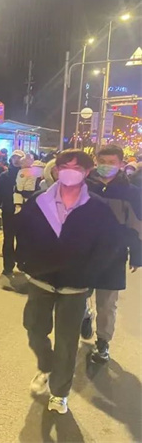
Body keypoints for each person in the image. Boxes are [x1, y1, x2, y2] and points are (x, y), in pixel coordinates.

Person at [16, 149, 124, 415]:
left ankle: (59, 392)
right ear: (56, 170)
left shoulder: (97, 207)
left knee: (66, 341)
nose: (69, 172)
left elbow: (109, 245)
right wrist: (26, 263)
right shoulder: (39, 201)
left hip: (75, 287)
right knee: (34, 329)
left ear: (87, 172)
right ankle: (47, 364)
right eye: (65, 167)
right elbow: (23, 233)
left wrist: (89, 274)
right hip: (41, 280)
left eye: (77, 168)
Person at [80, 144, 142, 363]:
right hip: (83, 254)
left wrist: (137, 254)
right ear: (96, 162)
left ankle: (103, 343)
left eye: (111, 162)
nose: (106, 166)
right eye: (102, 162)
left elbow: (138, 225)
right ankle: (84, 315)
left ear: (121, 164)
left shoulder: (131, 192)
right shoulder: (84, 186)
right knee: (78, 295)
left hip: (113, 255)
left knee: (107, 304)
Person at [0, 150, 25, 275]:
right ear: (11, 159)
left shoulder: (28, 175)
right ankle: (8, 266)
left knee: (23, 239)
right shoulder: (5, 176)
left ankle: (21, 262)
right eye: (14, 157)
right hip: (8, 211)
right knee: (8, 239)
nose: (16, 160)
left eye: (19, 158)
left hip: (24, 213)